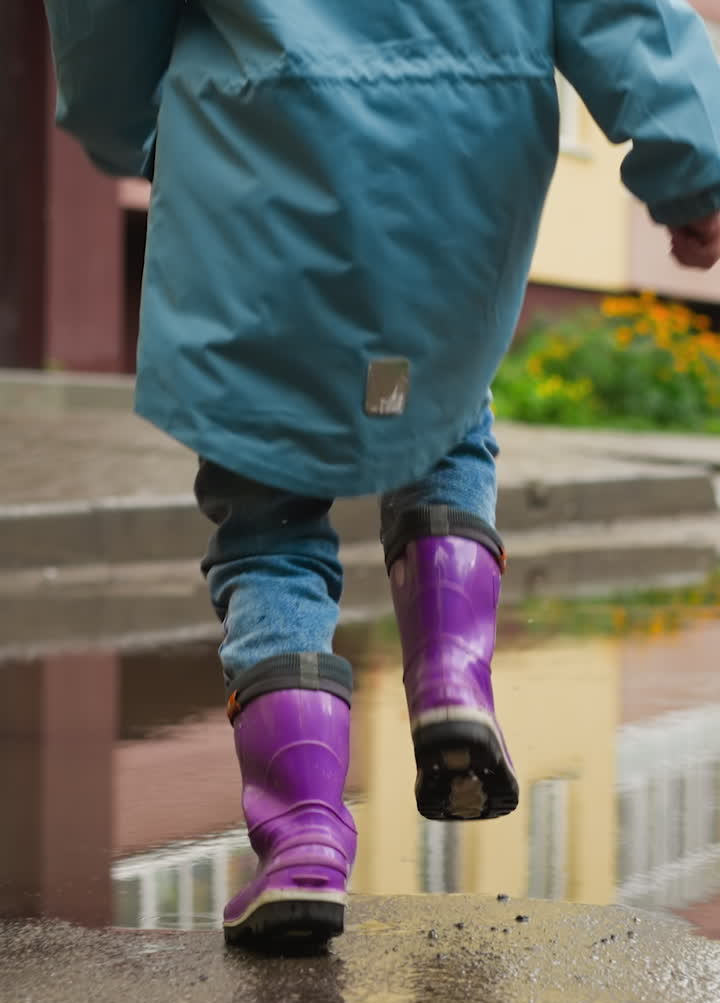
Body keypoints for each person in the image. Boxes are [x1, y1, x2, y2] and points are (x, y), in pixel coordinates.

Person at [44, 0, 720, 948]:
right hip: (460, 159)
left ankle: (304, 842)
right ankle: (450, 676)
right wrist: (695, 162)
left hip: (256, 151)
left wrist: (128, 124)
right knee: (443, 421)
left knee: (265, 519)